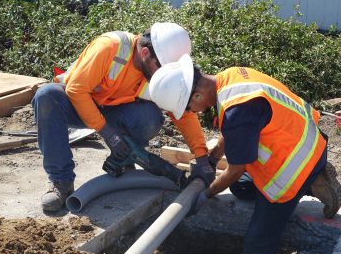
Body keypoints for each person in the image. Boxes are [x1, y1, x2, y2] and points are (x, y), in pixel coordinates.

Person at [148, 54, 341, 254]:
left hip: (295, 168)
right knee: (241, 188)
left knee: (257, 242)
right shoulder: (232, 77)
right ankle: (314, 181)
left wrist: (206, 193)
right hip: (311, 146)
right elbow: (234, 133)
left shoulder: (236, 112)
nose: (194, 112)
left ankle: (307, 184)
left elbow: (235, 169)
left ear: (198, 95)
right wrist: (211, 160)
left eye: (190, 108)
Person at [32, 23, 215, 212]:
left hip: (115, 111)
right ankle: (61, 181)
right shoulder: (110, 48)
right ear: (144, 53)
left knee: (149, 117)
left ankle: (126, 158)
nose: (162, 74)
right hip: (77, 104)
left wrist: (202, 158)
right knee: (46, 96)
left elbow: (182, 113)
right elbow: (77, 90)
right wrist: (108, 133)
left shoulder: (157, 72)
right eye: (159, 66)